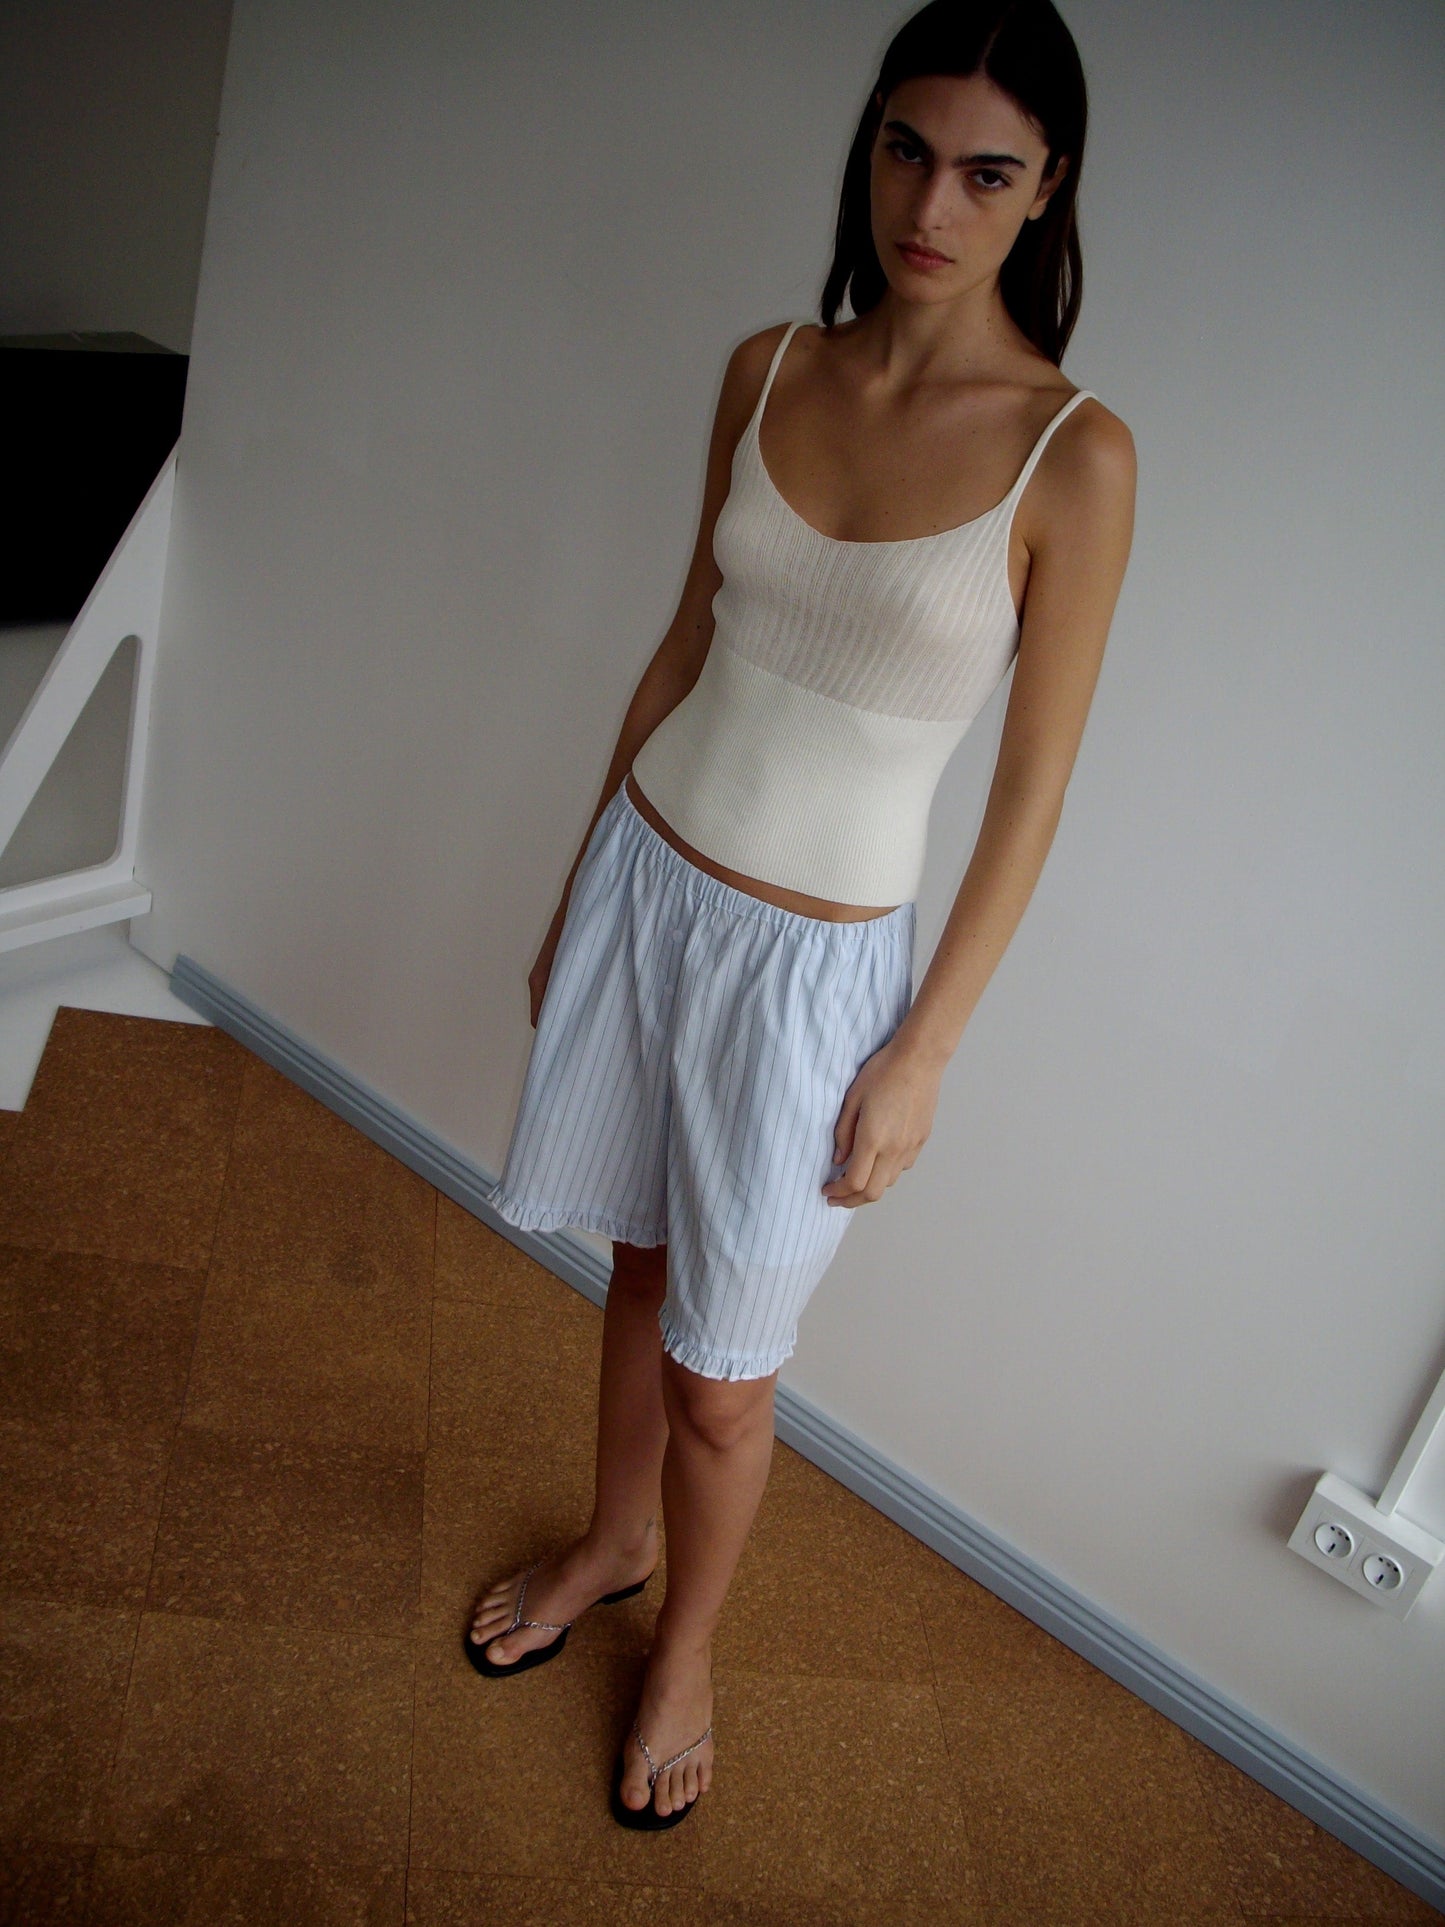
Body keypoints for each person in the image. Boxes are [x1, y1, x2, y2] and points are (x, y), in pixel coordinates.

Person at [469, 0, 1136, 1831]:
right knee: (628, 1254)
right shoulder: (767, 365)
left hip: (818, 972)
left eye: (985, 170)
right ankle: (609, 1543)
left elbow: (1031, 794)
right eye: (906, 149)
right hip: (650, 883)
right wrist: (576, 891)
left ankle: (687, 1641)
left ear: (1043, 189)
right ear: (869, 148)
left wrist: (922, 1050)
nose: (933, 201)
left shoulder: (1070, 456)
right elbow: (685, 642)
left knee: (725, 1383)